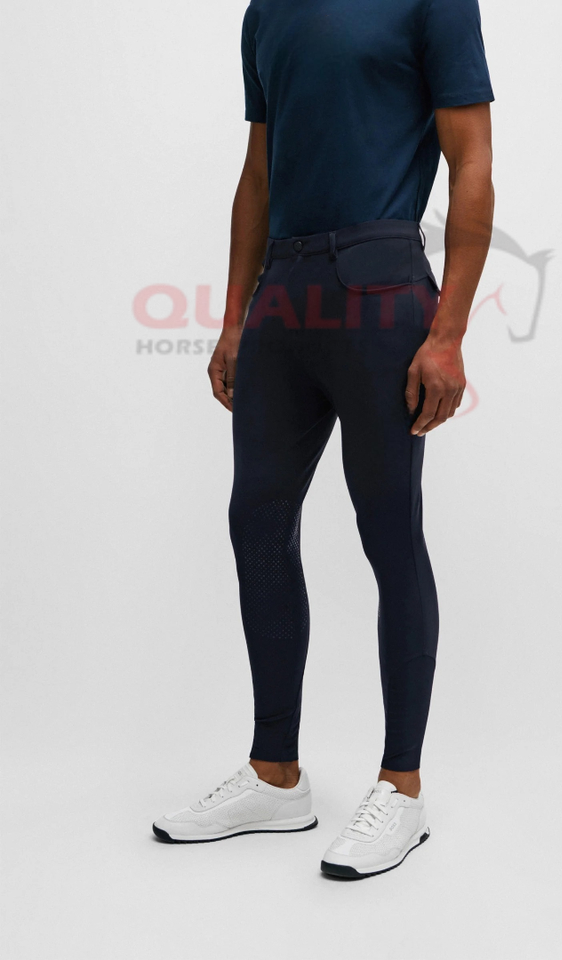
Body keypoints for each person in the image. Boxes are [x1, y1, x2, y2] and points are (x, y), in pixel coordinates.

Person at [153, 0, 495, 879]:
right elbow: (258, 173)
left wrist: (449, 333)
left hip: (383, 290)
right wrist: (235, 318)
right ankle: (276, 774)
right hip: (283, 295)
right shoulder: (266, 12)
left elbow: (472, 161)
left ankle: (402, 788)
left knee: (389, 532)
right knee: (257, 525)